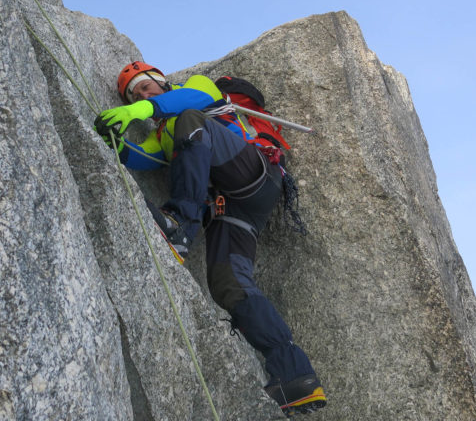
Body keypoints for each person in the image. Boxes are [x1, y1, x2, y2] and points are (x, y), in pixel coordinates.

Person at [95, 61, 327, 415]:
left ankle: (180, 224)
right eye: (135, 93)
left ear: (161, 81)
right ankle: (295, 376)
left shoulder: (198, 88)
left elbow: (189, 100)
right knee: (228, 284)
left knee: (191, 120)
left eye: (145, 86)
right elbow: (145, 158)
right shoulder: (163, 135)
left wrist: (138, 108)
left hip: (254, 174)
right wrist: (116, 145)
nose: (143, 94)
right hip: (236, 207)